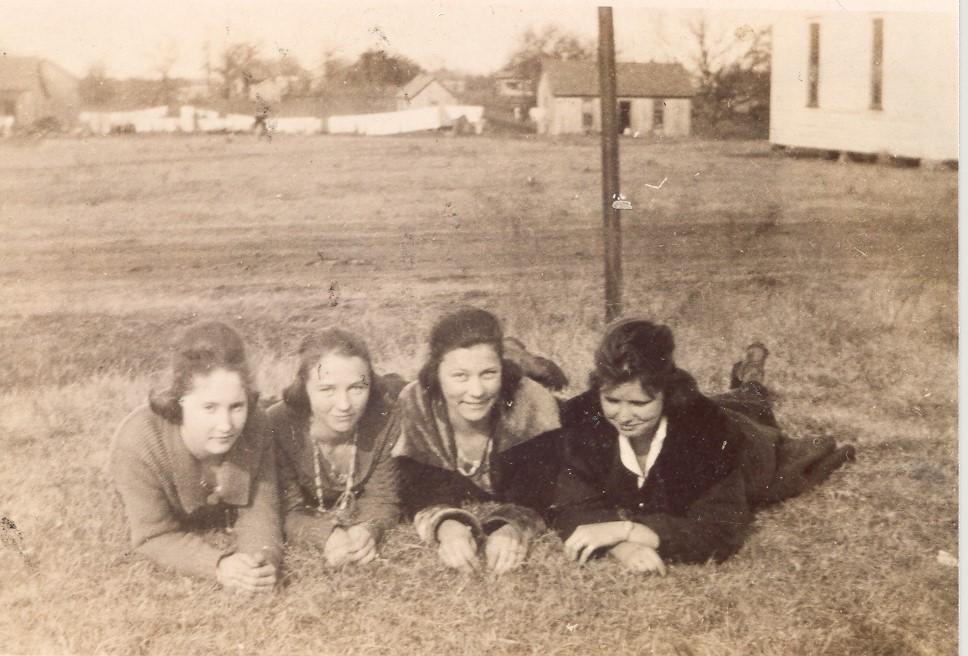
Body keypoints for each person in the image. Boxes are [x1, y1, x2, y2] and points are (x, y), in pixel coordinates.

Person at [551, 318, 856, 575]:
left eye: (640, 403)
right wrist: (622, 547)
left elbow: (721, 530)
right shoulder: (584, 419)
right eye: (612, 400)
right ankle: (746, 378)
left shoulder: (709, 433)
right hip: (706, 409)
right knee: (731, 400)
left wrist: (630, 530)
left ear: (667, 394)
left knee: (752, 403)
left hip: (748, 439)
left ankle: (751, 376)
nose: (624, 416)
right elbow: (571, 503)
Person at [109, 321, 283, 593]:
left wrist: (259, 564)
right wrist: (219, 565)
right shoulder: (138, 442)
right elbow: (153, 534)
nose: (226, 425)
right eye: (210, 407)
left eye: (236, 406)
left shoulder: (257, 423)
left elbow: (260, 512)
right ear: (179, 400)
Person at [393, 307, 562, 574]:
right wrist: (446, 526)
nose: (476, 391)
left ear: (502, 369)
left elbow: (541, 489)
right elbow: (414, 487)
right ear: (436, 371)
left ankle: (525, 358)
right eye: (460, 376)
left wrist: (511, 527)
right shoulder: (415, 403)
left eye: (488, 373)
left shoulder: (531, 404)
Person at [266, 329, 403, 567]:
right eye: (327, 389)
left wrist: (368, 528)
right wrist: (328, 536)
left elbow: (383, 496)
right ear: (304, 387)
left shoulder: (385, 417)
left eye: (356, 388)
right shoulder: (277, 425)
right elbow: (287, 510)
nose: (344, 405)